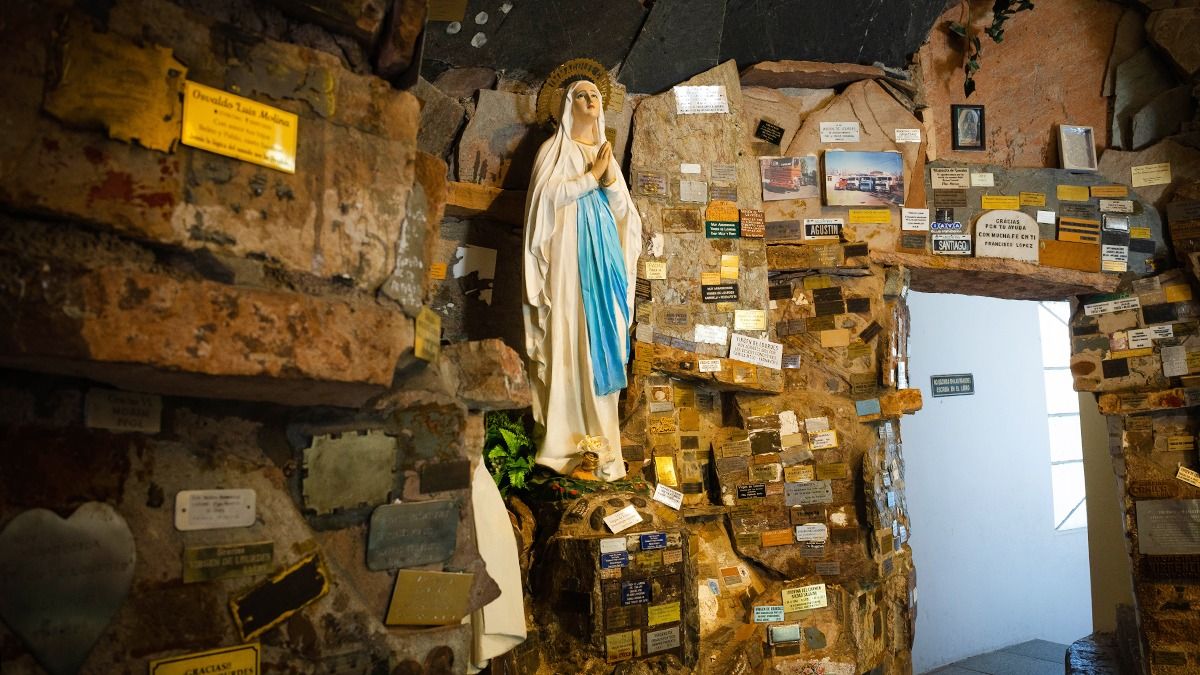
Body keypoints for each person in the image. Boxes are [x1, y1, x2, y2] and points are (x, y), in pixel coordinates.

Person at [522, 79, 642, 480]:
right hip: (569, 265)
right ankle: (566, 444)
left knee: (604, 342)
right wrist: (590, 177)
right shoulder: (553, 152)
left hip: (605, 262)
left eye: (595, 96)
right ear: (567, 105)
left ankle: (604, 446)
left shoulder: (603, 153)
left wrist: (607, 179)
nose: (590, 101)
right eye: (582, 95)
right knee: (571, 339)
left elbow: (626, 213)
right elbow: (544, 203)